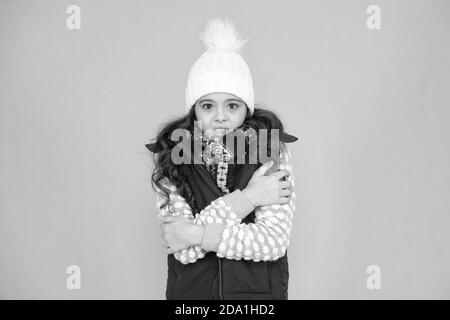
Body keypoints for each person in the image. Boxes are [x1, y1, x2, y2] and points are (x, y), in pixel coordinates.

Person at [146, 17, 298, 300]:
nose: (220, 116)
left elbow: (272, 242)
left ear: (246, 108)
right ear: (194, 111)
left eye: (232, 105)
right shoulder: (172, 158)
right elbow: (183, 249)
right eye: (207, 106)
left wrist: (196, 234)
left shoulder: (271, 152)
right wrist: (250, 198)